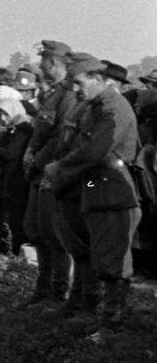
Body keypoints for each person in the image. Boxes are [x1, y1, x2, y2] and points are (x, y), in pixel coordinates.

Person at [45, 53, 141, 325]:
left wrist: (58, 168)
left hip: (111, 187)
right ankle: (99, 313)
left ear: (98, 79)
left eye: (78, 83)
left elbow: (93, 152)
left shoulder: (113, 109)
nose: (75, 90)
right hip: (94, 184)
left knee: (113, 260)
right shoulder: (97, 107)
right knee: (99, 255)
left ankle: (112, 322)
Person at [22, 40, 76, 308]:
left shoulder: (68, 96)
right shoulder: (54, 94)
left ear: (54, 63)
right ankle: (42, 291)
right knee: (36, 230)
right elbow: (40, 132)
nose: (40, 65)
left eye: (43, 61)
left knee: (55, 236)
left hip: (53, 173)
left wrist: (37, 160)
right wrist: (29, 152)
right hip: (38, 173)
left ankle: (58, 293)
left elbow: (59, 138)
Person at [0, 98, 33, 253]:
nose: (2, 119)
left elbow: (11, 153)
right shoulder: (14, 129)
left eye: (5, 114)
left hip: (17, 179)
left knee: (14, 215)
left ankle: (15, 249)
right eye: (0, 114)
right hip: (10, 177)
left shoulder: (23, 129)